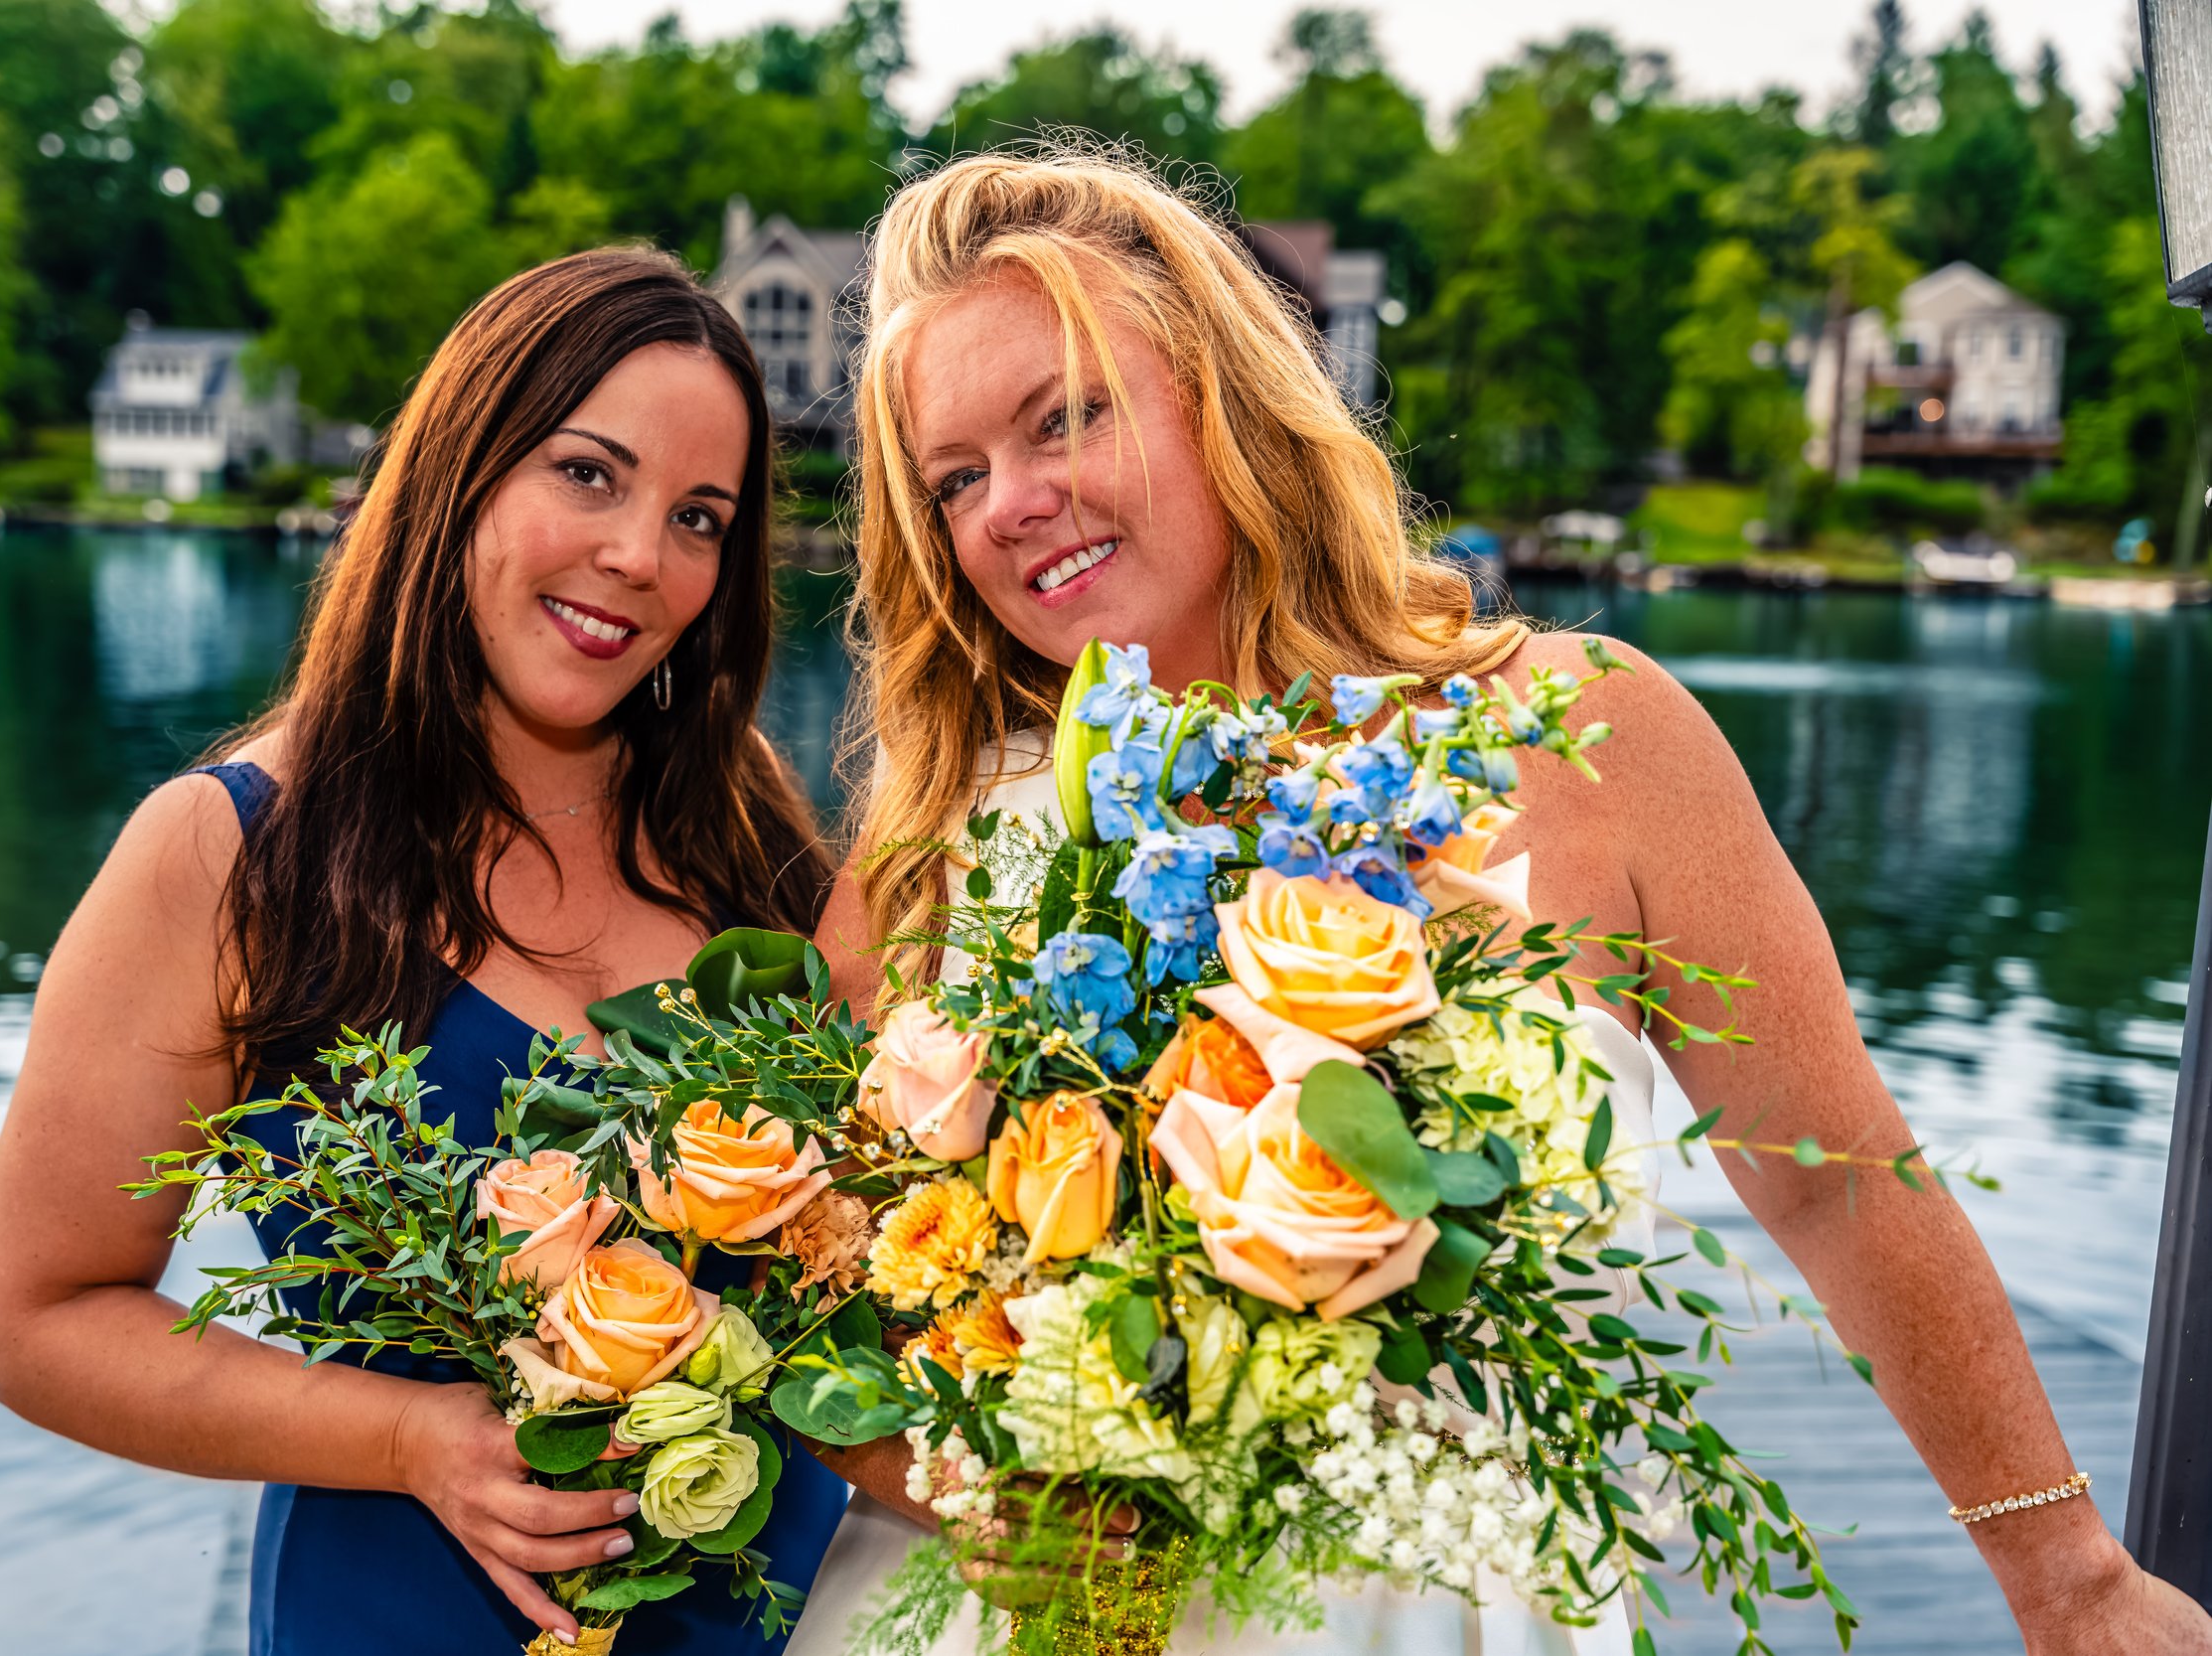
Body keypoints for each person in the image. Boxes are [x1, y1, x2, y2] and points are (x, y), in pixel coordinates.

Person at [789, 150, 2212, 1654]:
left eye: (1065, 416)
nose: (1013, 501)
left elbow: (1836, 1177)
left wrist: (2071, 1582)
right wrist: (971, 1491)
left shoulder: (1582, 735)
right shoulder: (953, 833)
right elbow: (793, 1267)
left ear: (1219, 394)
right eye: (955, 477)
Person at [0, 248, 846, 1656]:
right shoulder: (230, 852)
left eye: (700, 516)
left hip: (785, 1617)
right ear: (463, 471)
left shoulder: (731, 802)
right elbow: (38, 1323)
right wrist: (409, 1440)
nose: (640, 554)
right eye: (587, 473)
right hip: (411, 1612)